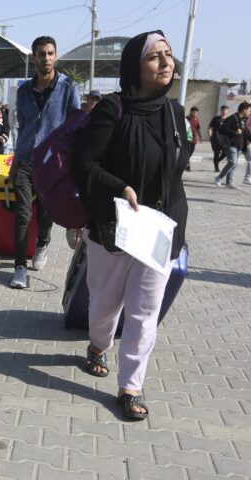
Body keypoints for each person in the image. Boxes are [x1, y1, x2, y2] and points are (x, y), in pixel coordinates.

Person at [71, 30, 189, 420]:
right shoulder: (112, 109)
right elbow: (84, 164)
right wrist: (119, 187)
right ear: (134, 67)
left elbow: (177, 167)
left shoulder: (175, 113)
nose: (166, 62)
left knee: (144, 312)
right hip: (115, 226)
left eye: (169, 55)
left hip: (159, 227)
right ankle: (97, 346)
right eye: (155, 57)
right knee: (105, 304)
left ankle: (131, 386)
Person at [9, 36, 81, 288]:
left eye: (51, 53)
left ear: (56, 56)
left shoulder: (69, 88)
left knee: (46, 213)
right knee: (22, 214)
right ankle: (19, 267)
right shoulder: (23, 91)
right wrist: (15, 156)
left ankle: (42, 244)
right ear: (34, 58)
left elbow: (75, 125)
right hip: (26, 160)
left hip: (52, 164)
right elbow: (23, 124)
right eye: (42, 54)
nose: (47, 58)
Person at [215, 102, 251, 188]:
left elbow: (247, 134)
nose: (249, 113)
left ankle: (229, 183)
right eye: (249, 111)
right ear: (244, 110)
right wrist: (234, 132)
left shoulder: (242, 120)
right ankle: (219, 178)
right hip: (230, 144)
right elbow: (222, 129)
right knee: (232, 162)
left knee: (234, 164)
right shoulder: (232, 118)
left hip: (239, 146)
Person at [207, 105, 229, 172]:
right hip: (216, 138)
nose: (224, 111)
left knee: (225, 153)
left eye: (225, 110)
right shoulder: (216, 119)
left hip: (225, 139)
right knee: (216, 153)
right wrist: (210, 136)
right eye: (223, 110)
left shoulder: (229, 119)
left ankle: (217, 161)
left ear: (228, 111)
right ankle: (216, 168)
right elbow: (210, 127)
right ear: (221, 110)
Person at [185, 106, 201, 172]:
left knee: (190, 153)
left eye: (196, 113)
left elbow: (198, 129)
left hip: (194, 139)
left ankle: (186, 164)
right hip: (187, 138)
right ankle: (187, 166)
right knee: (187, 153)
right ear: (190, 112)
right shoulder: (186, 119)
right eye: (193, 112)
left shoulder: (196, 119)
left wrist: (200, 137)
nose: (195, 114)